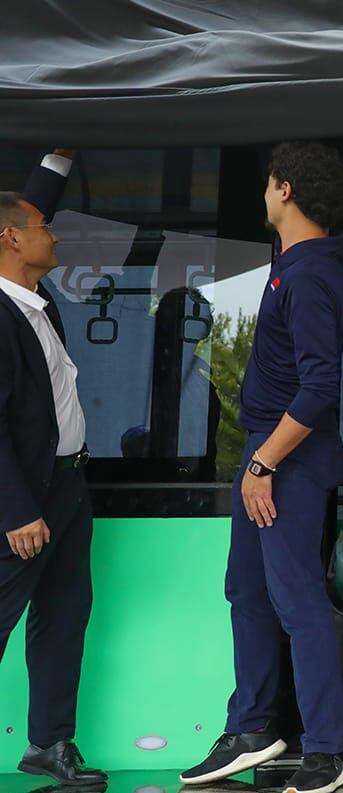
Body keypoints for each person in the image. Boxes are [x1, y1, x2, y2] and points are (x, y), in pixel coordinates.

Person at [181, 142, 343, 793]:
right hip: (268, 453)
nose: (263, 193)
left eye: (268, 182)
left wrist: (263, 463)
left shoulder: (310, 273)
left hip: (286, 462)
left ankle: (326, 752)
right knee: (247, 592)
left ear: (286, 190)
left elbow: (319, 387)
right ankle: (251, 727)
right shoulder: (294, 262)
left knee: (297, 599)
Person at [0, 151, 108, 788]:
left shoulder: (35, 302)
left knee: (64, 615)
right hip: (24, 499)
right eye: (44, 228)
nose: (57, 237)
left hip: (67, 485)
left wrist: (62, 153)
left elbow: (31, 207)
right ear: (11, 239)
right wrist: (16, 511)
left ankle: (49, 743)